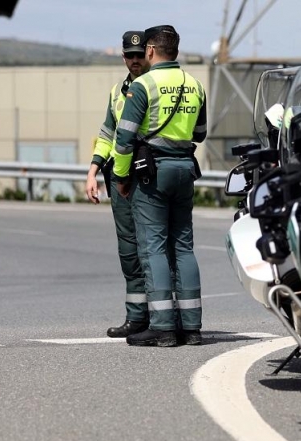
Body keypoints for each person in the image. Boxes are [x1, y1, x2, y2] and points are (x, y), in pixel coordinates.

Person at [112, 25, 207, 347]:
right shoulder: (195, 85)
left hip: (153, 172)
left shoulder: (143, 86)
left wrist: (122, 178)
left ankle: (163, 326)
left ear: (150, 50)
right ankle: (192, 327)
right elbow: (201, 133)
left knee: (152, 247)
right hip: (185, 169)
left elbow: (123, 140)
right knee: (183, 246)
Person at [85, 30, 151, 338]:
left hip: (147, 174)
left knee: (154, 247)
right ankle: (136, 316)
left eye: (140, 55)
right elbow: (107, 133)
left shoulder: (153, 86)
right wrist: (93, 170)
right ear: (123, 57)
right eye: (130, 56)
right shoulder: (117, 91)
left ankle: (166, 316)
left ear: (149, 55)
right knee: (129, 248)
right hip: (117, 176)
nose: (135, 61)